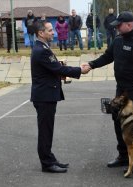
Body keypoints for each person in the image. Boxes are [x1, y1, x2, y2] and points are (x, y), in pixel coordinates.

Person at [86, 11, 133, 171]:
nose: (117, 28)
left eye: (119, 25)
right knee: (118, 122)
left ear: (130, 24)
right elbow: (107, 56)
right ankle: (123, 156)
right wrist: (91, 64)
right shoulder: (118, 40)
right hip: (121, 90)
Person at [30, 20, 90, 173]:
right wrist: (79, 70)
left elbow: (52, 68)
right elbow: (56, 68)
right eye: (50, 30)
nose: (53, 32)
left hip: (46, 95)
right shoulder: (41, 50)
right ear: (40, 33)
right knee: (45, 131)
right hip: (44, 96)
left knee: (47, 130)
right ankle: (47, 163)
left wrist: (60, 67)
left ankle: (50, 158)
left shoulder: (42, 47)